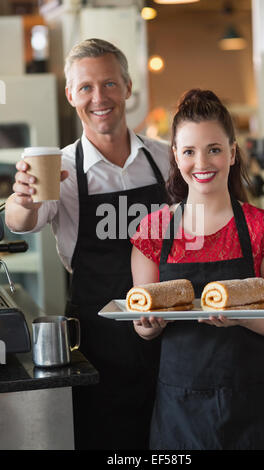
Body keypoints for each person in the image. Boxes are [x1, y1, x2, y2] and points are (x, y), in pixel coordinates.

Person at [5, 38, 170, 450]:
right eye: (86, 88)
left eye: (110, 84)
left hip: (171, 331)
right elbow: (20, 222)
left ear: (128, 87)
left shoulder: (166, 158)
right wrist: (21, 198)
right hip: (99, 341)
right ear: (70, 95)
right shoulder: (57, 170)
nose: (100, 98)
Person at [130, 88, 264, 450]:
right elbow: (143, 325)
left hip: (257, 408)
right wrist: (147, 327)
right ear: (175, 155)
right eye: (189, 151)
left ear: (233, 152)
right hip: (182, 410)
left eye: (215, 149)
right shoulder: (152, 232)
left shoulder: (261, 229)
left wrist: (239, 318)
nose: (202, 163)